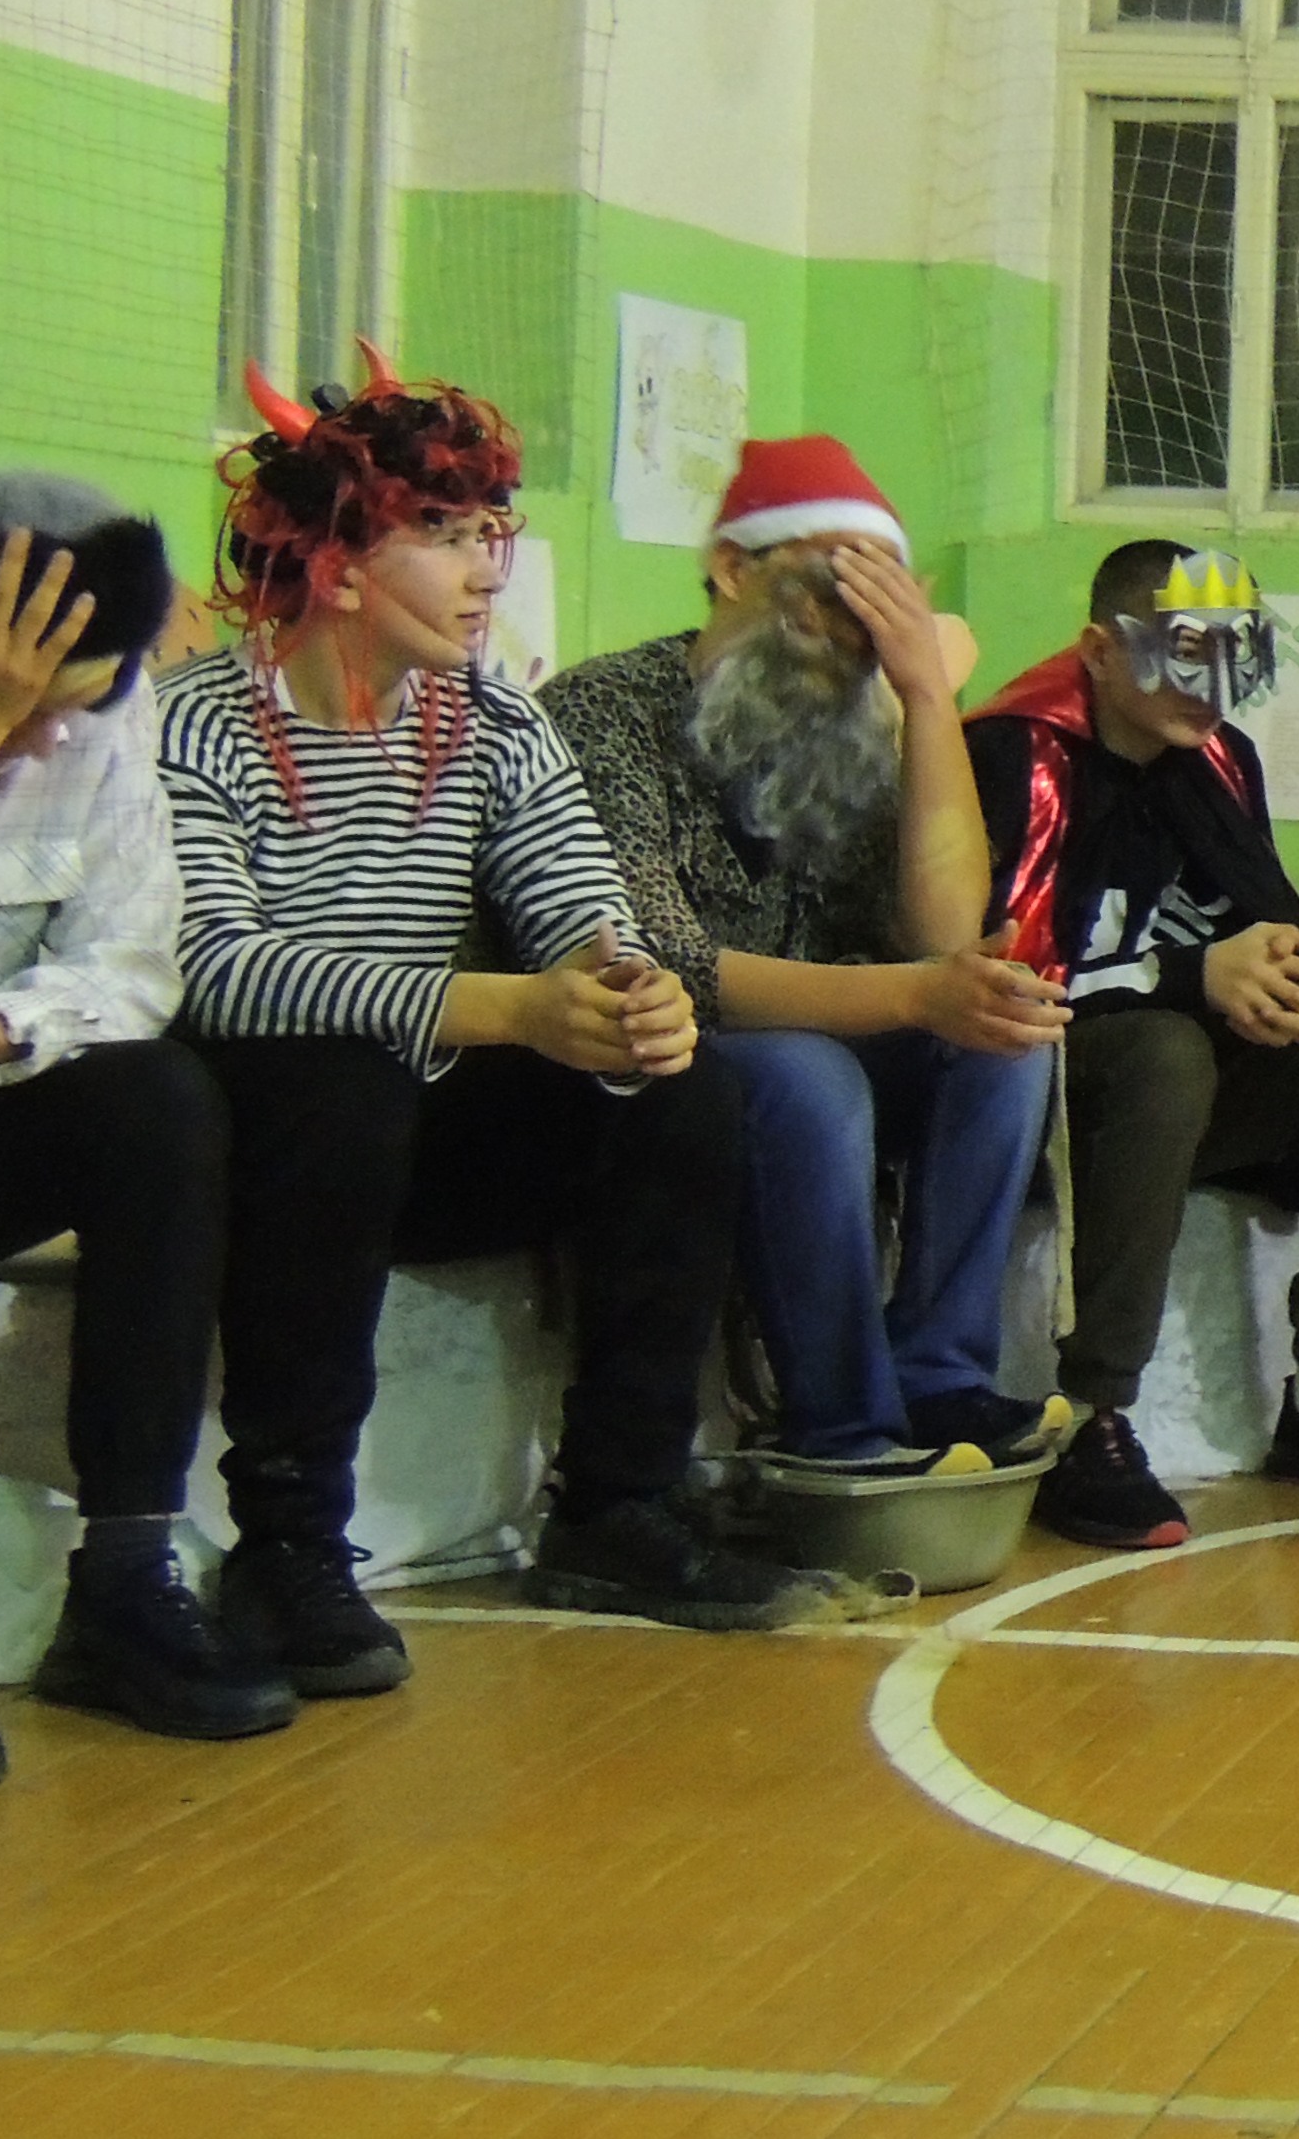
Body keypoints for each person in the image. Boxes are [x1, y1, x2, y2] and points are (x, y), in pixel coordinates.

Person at [163, 363, 826, 1691]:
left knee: (683, 1084)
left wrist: (624, 988)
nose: (486, 571)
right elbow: (209, 965)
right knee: (343, 1084)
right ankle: (287, 1542)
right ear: (340, 565)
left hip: (415, 1120)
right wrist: (505, 1007)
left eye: (488, 533)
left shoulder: (489, 715)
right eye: (445, 534)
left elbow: (577, 898)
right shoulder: (199, 722)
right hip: (262, 1139)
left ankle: (618, 1506)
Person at [542, 437, 1068, 1471]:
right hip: (657, 1051)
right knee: (808, 1072)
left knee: (1007, 1037)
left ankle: (940, 1377)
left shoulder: (853, 727)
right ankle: (843, 1425)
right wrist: (914, 994)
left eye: (884, 606)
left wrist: (926, 697)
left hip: (823, 1044)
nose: (853, 631)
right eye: (833, 590)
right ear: (733, 569)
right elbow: (661, 959)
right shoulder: (604, 707)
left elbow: (943, 934)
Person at [968, 542, 1299, 1536]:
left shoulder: (1223, 759)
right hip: (1038, 1083)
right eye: (1185, 652)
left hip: (1176, 1087)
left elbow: (1253, 916)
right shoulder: (1013, 755)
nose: (1214, 685)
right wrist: (1191, 976)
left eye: (1239, 654)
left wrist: (1286, 978)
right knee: (1165, 1050)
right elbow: (994, 977)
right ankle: (1092, 1416)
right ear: (1100, 650)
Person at [0, 484, 295, 1782]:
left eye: (83, 699)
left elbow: (132, 967)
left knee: (159, 1102)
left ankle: (122, 1579)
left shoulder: (106, 710)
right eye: (34, 702)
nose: (60, 729)